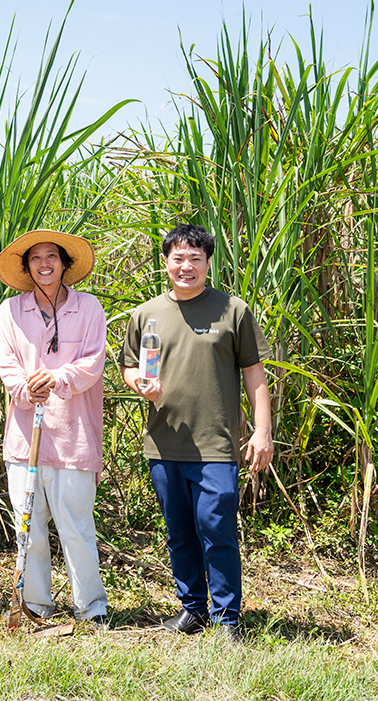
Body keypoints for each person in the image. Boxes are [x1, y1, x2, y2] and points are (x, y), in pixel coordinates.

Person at [119, 223, 273, 635]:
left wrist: (262, 432)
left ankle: (228, 620)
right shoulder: (146, 313)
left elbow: (255, 376)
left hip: (215, 444)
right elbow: (129, 366)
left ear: (208, 263)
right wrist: (139, 384)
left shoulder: (232, 310)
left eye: (195, 259)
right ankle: (193, 609)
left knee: (217, 529)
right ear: (165, 261)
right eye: (178, 258)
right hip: (164, 442)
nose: (186, 267)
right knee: (180, 534)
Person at [0, 229, 110, 626]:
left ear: (64, 263)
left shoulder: (90, 307)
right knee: (29, 526)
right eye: (35, 258)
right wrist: (28, 388)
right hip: (25, 437)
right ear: (27, 267)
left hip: (74, 435)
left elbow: (93, 363)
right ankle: (35, 606)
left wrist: (57, 380)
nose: (44, 264)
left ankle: (91, 608)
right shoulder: (10, 311)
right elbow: (6, 364)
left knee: (77, 526)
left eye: (51, 257)